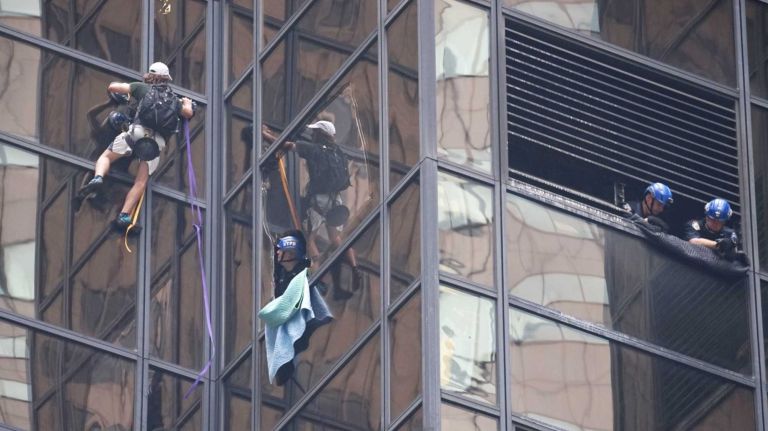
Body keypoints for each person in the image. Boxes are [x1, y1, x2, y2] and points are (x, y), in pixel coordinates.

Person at [79, 62, 195, 229]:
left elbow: (113, 87)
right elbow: (188, 113)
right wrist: (187, 103)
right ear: (166, 79)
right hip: (155, 145)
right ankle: (125, 215)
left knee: (106, 156)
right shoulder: (173, 101)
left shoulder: (143, 89)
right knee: (141, 182)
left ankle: (98, 177)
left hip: (137, 133)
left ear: (151, 76)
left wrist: (124, 93)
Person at [264, 121, 361, 297]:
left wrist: (265, 135)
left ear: (320, 134)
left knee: (310, 240)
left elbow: (287, 146)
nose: (313, 134)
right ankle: (354, 267)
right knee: (336, 237)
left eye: (315, 131)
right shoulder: (338, 153)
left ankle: (320, 280)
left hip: (319, 201)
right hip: (336, 200)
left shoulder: (315, 149)